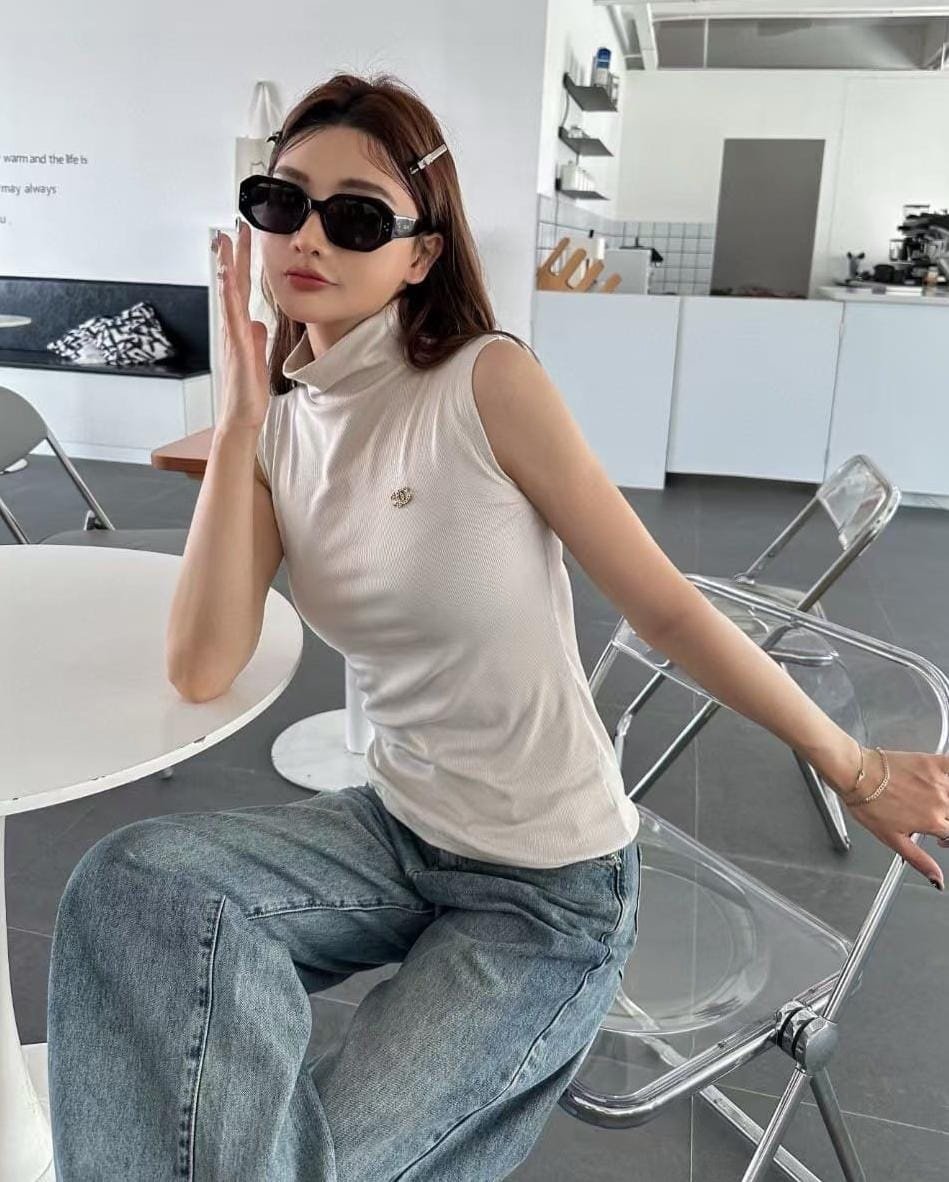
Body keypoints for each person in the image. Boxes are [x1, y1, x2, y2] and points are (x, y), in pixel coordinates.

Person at [46, 71, 949, 1182]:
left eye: (357, 216)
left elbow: (664, 603)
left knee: (299, 1160)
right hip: (395, 832)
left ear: (420, 253)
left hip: (547, 888)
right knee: (133, 887)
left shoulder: (485, 382)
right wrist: (238, 420)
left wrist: (855, 766)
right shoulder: (281, 433)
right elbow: (201, 664)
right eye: (281, 202)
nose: (307, 236)